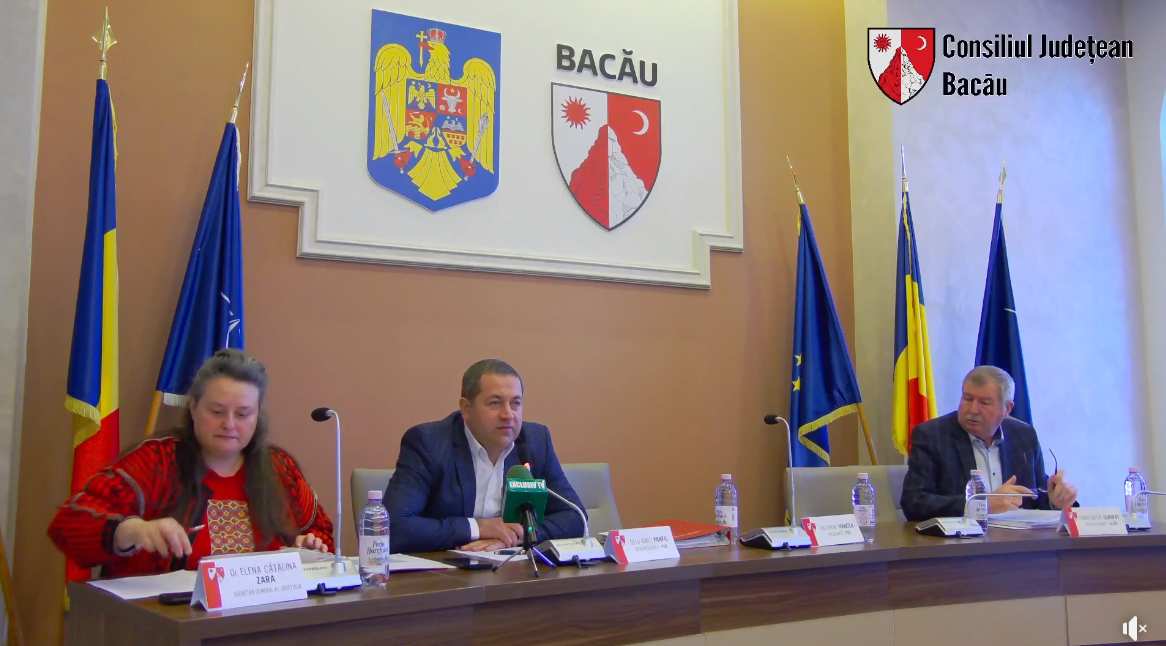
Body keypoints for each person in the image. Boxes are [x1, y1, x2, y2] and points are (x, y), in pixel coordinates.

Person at [49, 349, 333, 577]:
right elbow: (68, 525)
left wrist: (309, 544)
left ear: (258, 416)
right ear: (194, 408)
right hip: (166, 620)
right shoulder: (155, 462)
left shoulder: (279, 468)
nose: (229, 424)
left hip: (262, 618)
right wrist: (131, 530)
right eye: (217, 411)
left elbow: (320, 531)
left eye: (243, 414)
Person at [386, 359, 586, 553]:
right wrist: (478, 528)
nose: (508, 414)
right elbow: (393, 527)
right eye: (495, 403)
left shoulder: (535, 441)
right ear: (466, 408)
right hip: (445, 569)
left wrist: (516, 535)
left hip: (513, 567)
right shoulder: (429, 443)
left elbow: (575, 517)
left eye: (515, 403)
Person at [900, 365, 1079, 521]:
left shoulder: (1023, 436)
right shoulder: (932, 435)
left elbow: (1034, 496)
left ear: (1007, 408)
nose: (973, 409)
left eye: (984, 403)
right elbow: (914, 503)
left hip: (1016, 543)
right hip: (961, 544)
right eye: (967, 399)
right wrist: (981, 505)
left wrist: (1054, 500)